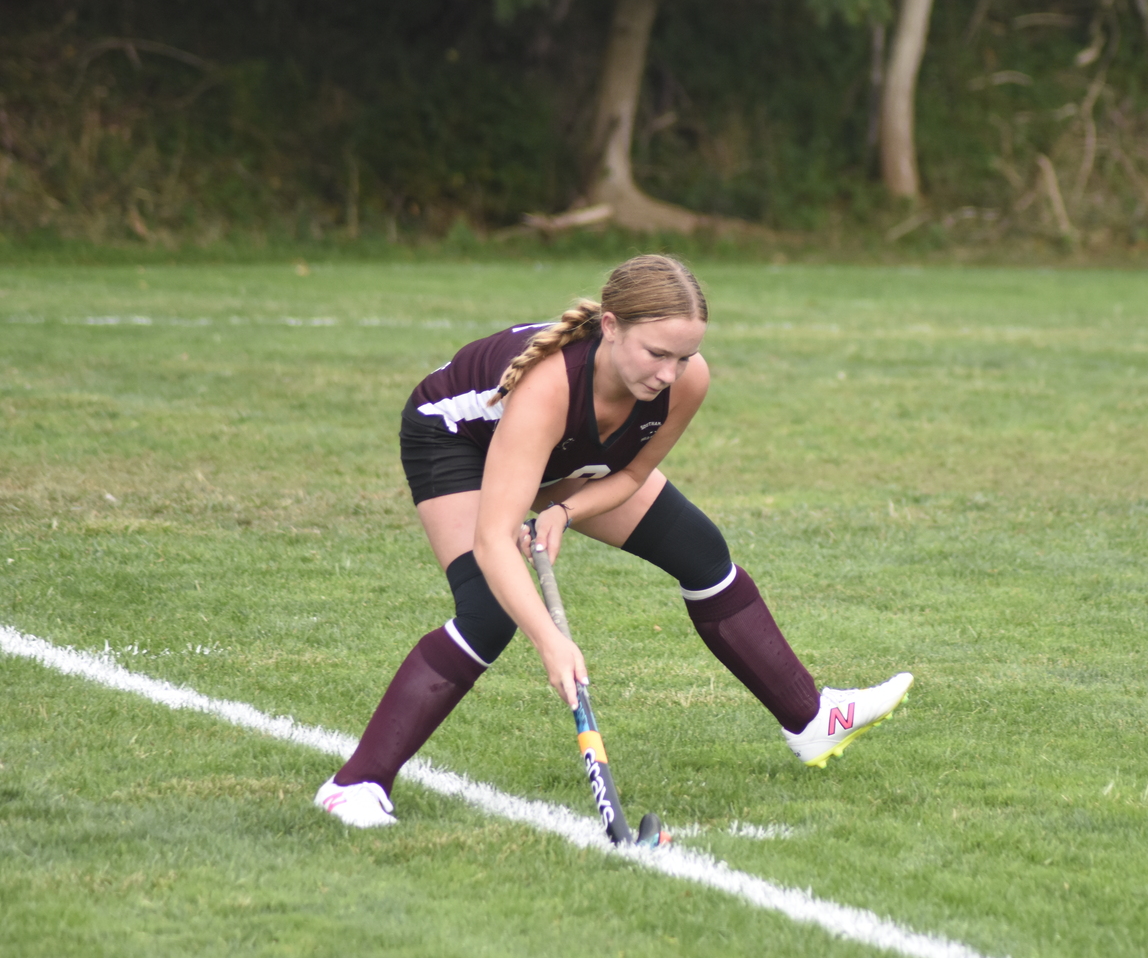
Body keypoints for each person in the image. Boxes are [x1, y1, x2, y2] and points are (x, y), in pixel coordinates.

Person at [315, 254, 912, 828]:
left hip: (565, 453)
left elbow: (627, 477)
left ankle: (812, 719)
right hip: (455, 443)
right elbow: (496, 539)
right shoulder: (548, 388)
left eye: (685, 356)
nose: (669, 374)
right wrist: (551, 643)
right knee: (489, 613)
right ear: (610, 326)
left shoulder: (682, 382)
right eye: (657, 354)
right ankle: (356, 785)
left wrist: (565, 512)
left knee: (699, 549)